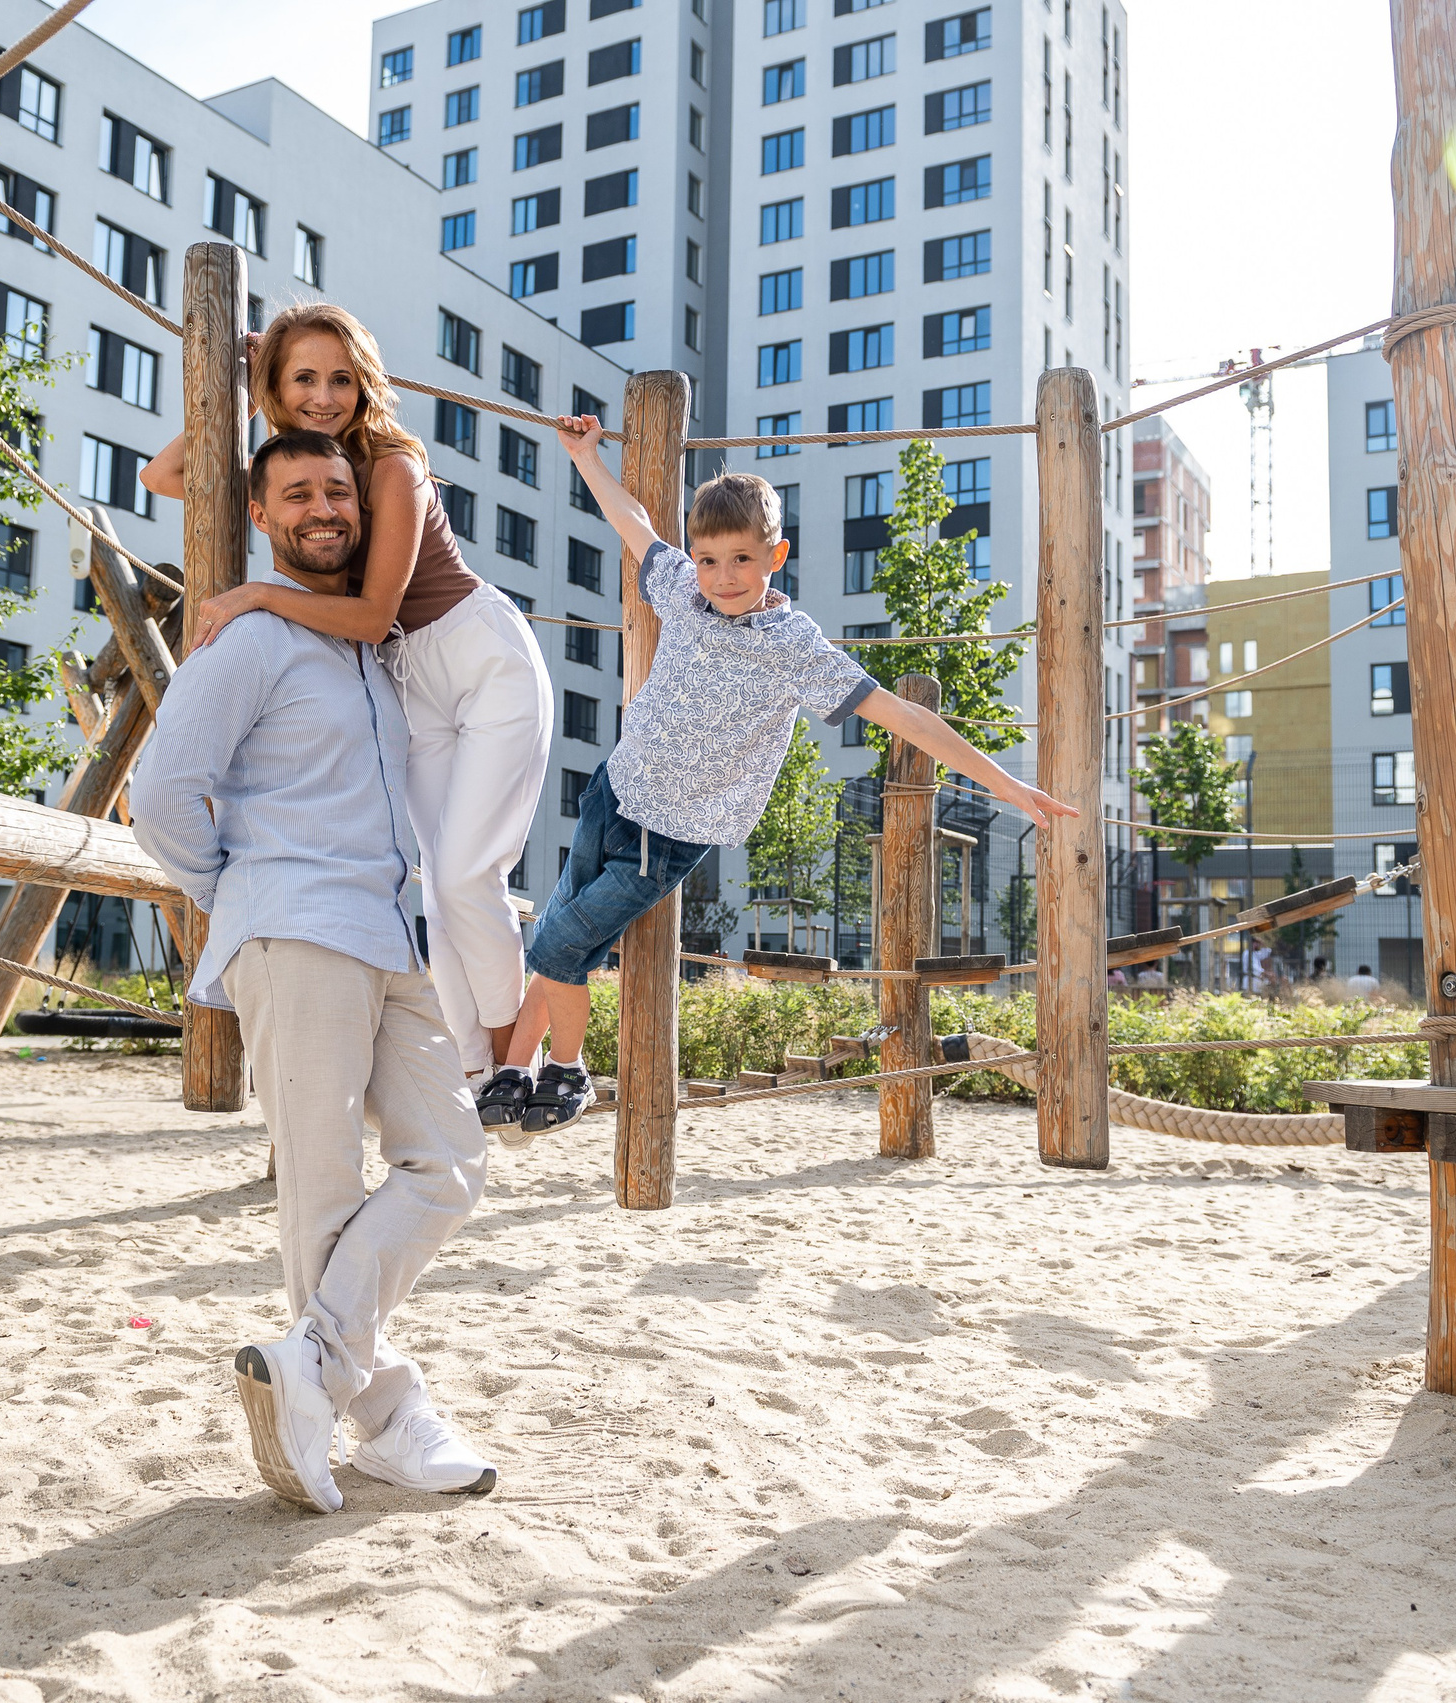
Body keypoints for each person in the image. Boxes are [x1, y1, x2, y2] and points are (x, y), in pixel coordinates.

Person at [474, 416, 1078, 1140]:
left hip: (670, 831)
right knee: (557, 940)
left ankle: (566, 1073)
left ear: (775, 556)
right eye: (707, 559)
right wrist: (586, 459)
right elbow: (635, 522)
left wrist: (1002, 783)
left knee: (561, 946)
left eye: (739, 560)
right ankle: (514, 1069)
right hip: (614, 789)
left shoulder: (795, 645)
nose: (722, 577)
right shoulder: (680, 591)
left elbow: (900, 716)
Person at [131, 430, 494, 1515]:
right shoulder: (246, 640)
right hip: (297, 930)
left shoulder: (373, 648)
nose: (325, 506)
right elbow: (161, 798)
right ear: (263, 514)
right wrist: (247, 895)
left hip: (390, 937)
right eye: (297, 492)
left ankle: (327, 1378)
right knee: (324, 1192)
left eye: (339, 488)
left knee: (450, 1160)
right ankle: (387, 1415)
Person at [142, 303, 553, 1085]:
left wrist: (258, 596)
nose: (324, 395)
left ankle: (515, 1060)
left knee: (468, 872)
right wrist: (238, 381)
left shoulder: (390, 465)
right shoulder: (301, 473)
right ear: (276, 386)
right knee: (435, 879)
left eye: (340, 377)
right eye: (303, 378)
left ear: (366, 384)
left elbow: (369, 617)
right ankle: (474, 1070)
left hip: (479, 657)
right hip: (411, 681)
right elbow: (164, 477)